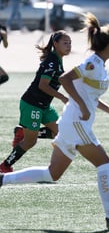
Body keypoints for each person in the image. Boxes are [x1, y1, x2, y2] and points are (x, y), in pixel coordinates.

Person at [0, 13, 109, 230]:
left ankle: (2, 180)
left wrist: (107, 109)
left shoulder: (99, 64)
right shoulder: (93, 63)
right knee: (105, 164)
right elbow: (65, 80)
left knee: (52, 174)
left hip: (71, 123)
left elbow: (89, 96)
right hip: (76, 123)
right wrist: (82, 106)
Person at [0, 30, 71, 173]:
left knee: (61, 131)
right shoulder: (52, 61)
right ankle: (5, 166)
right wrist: (62, 97)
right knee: (30, 141)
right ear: (55, 44)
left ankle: (22, 132)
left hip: (43, 106)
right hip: (32, 104)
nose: (68, 46)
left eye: (70, 43)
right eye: (65, 43)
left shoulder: (57, 59)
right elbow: (42, 85)